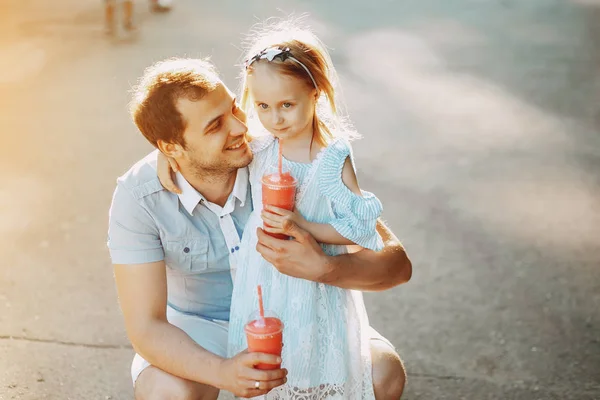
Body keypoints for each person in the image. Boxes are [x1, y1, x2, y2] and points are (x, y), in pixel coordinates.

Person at [108, 57, 411, 400]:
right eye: (215, 126)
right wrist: (222, 372)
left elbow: (396, 264)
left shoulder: (281, 153)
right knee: (166, 393)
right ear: (170, 147)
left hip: (297, 314)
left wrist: (327, 269)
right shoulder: (140, 196)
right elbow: (146, 327)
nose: (240, 128)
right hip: (203, 326)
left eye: (235, 110)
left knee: (382, 374)